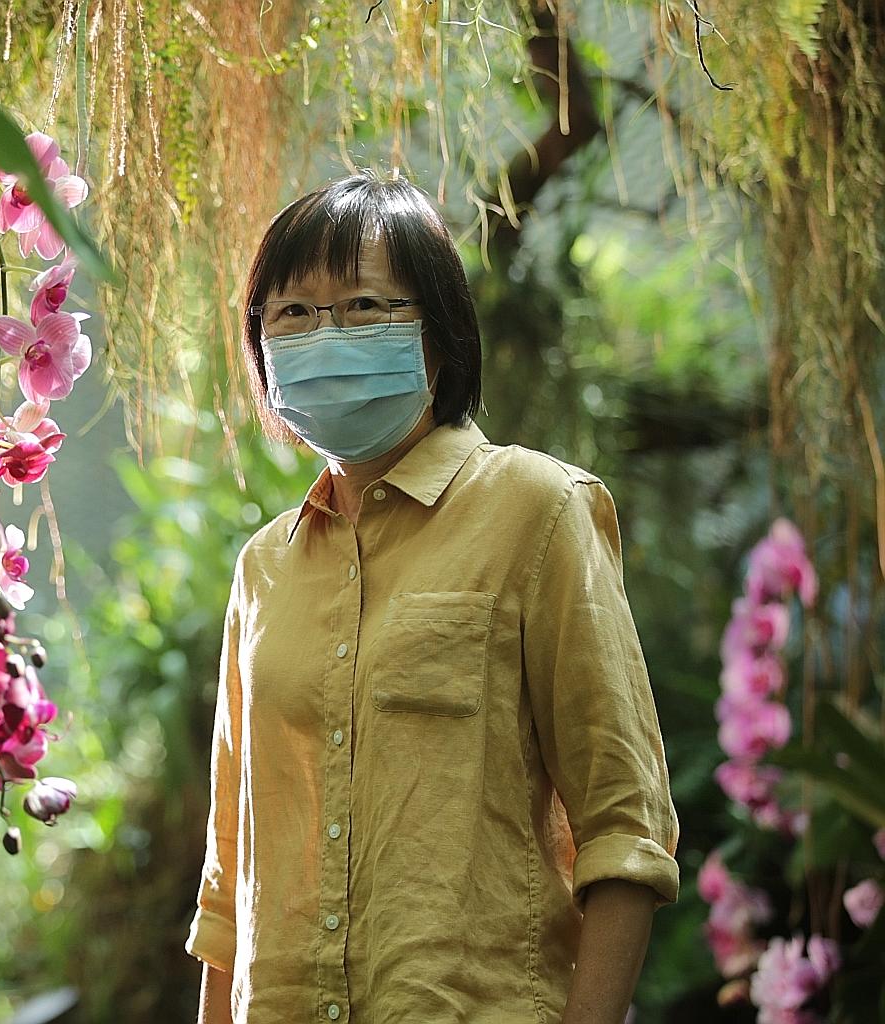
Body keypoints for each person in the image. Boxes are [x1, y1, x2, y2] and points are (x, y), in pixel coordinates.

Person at [186, 170, 680, 1024]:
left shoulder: (538, 509)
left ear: (441, 336)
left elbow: (625, 826)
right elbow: (231, 885)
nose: (322, 332)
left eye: (364, 306)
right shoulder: (264, 566)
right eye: (292, 313)